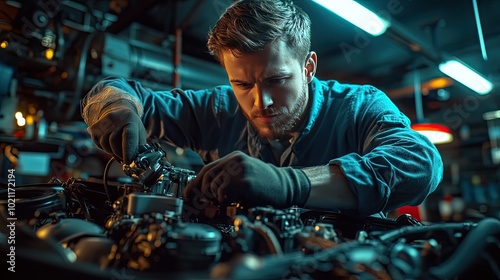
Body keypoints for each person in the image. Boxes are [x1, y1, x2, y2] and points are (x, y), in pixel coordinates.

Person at [81, 0, 443, 218]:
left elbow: (421, 164)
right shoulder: (216, 109)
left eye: (276, 80)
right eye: (242, 84)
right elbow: (121, 90)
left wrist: (291, 184)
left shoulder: (358, 106)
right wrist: (114, 106)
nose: (260, 101)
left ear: (309, 67)